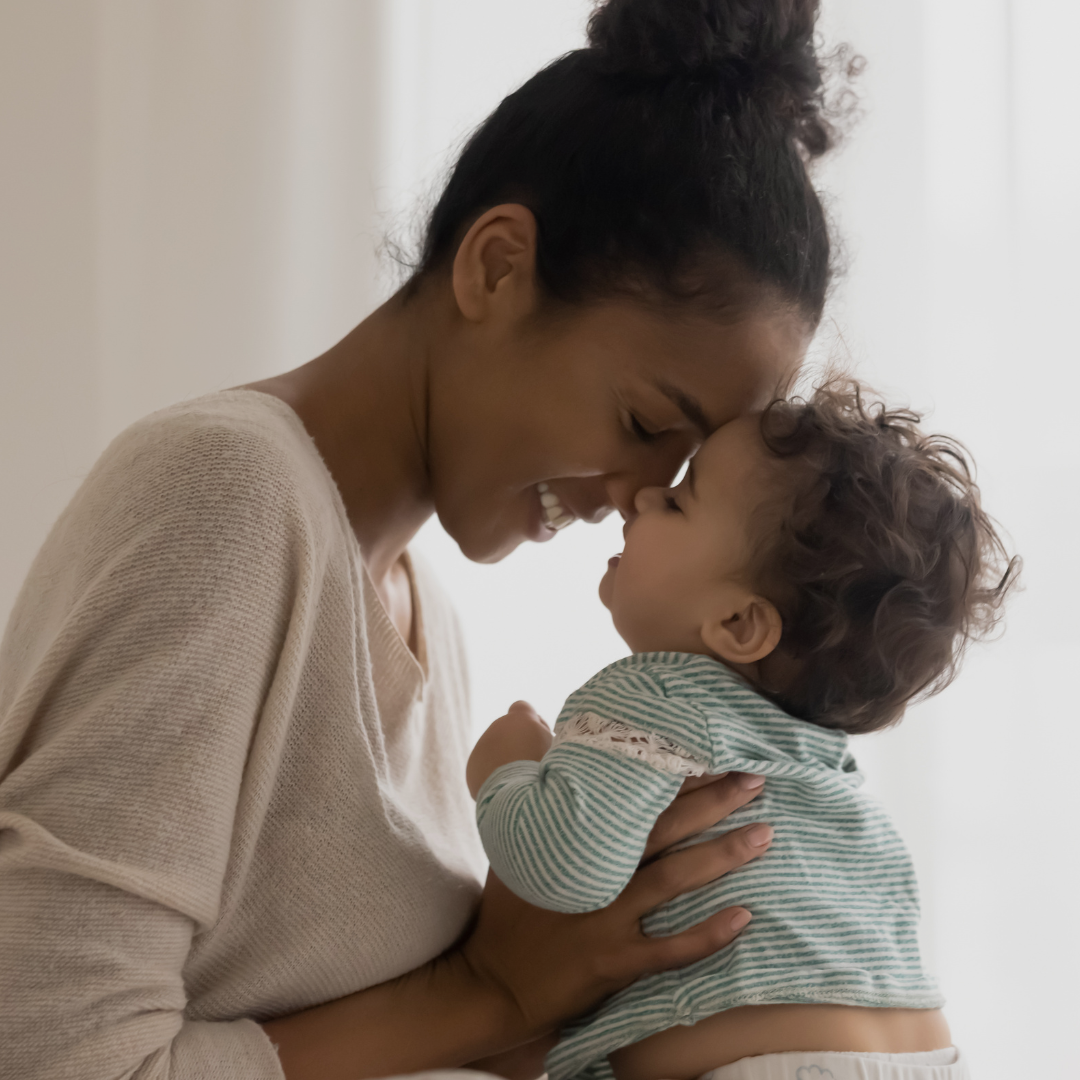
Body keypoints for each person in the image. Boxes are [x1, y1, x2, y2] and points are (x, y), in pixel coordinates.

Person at [0, 2, 851, 1078]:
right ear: (496, 267)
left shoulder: (419, 611)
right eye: (644, 426)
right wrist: (487, 990)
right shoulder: (226, 496)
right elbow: (50, 1056)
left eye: (681, 475)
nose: (641, 498)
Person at [466, 383, 1017, 1080]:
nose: (642, 497)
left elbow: (563, 863)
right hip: (929, 1054)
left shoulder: (658, 691)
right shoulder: (824, 769)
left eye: (679, 499)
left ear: (738, 625)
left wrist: (505, 770)